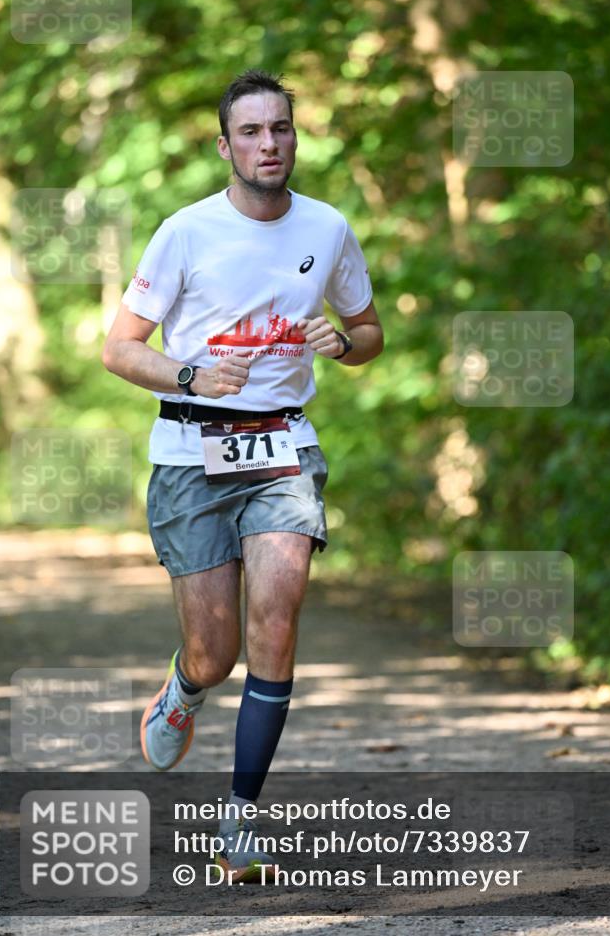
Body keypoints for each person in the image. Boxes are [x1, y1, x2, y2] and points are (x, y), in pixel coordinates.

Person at [102, 69, 383, 882]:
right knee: (214, 650)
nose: (270, 144)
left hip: (283, 450)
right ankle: (183, 691)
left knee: (276, 621)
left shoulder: (326, 228)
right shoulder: (184, 232)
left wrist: (345, 343)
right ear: (225, 146)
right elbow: (119, 349)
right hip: (192, 453)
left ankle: (239, 820)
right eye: (253, 132)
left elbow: (367, 331)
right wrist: (190, 377)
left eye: (282, 129)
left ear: (296, 137)